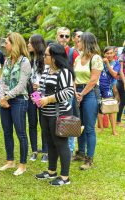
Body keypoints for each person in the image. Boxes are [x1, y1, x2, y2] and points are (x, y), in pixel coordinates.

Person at [35, 43, 75, 186]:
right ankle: (51, 171)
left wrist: (49, 99)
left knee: (61, 143)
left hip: (60, 113)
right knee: (50, 142)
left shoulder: (64, 72)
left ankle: (65, 177)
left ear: (53, 57)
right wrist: (38, 95)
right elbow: (43, 88)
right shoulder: (46, 70)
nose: (43, 57)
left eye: (46, 55)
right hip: (46, 112)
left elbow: (69, 91)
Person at [0, 32, 31, 176]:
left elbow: (21, 84)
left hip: (19, 100)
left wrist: (7, 97)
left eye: (7, 42)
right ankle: (10, 161)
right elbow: (2, 81)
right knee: (7, 132)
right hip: (5, 100)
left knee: (21, 133)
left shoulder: (25, 62)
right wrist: (1, 97)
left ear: (14, 44)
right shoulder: (7, 60)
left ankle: (22, 165)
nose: (5, 45)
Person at [73, 32, 103, 170]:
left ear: (86, 42)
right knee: (80, 125)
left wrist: (82, 94)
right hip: (78, 91)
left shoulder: (96, 58)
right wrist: (75, 92)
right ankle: (80, 153)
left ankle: (89, 159)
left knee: (89, 127)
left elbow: (93, 80)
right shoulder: (78, 58)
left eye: (79, 41)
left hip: (90, 93)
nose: (77, 43)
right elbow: (74, 77)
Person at [56, 27, 80, 157]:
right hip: (53, 91)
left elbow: (76, 75)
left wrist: (74, 91)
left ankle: (69, 150)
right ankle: (56, 148)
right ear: (56, 37)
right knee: (54, 120)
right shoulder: (52, 50)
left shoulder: (72, 53)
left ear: (70, 38)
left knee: (68, 120)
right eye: (61, 36)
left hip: (68, 92)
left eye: (67, 36)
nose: (64, 38)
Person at [27, 34, 48, 162]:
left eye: (30, 43)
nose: (28, 45)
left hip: (43, 94)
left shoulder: (46, 59)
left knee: (43, 122)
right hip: (32, 93)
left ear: (36, 44)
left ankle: (46, 151)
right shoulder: (31, 59)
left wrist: (39, 85)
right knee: (32, 122)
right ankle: (34, 150)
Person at [98, 46, 121, 135]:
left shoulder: (116, 63)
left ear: (114, 54)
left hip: (108, 87)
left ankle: (114, 130)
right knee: (99, 107)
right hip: (98, 86)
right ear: (104, 54)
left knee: (110, 108)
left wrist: (107, 64)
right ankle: (100, 128)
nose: (109, 55)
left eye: (111, 53)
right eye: (107, 53)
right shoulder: (100, 62)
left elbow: (115, 74)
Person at [117, 47, 125, 127]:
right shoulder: (122, 56)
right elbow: (121, 71)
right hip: (121, 81)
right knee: (123, 101)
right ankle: (118, 120)